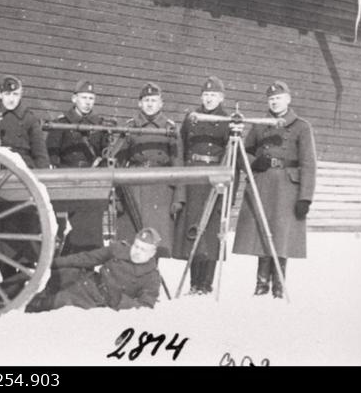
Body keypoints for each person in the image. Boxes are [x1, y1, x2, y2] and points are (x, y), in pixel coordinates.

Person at [233, 80, 316, 298]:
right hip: (263, 183)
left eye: (278, 98)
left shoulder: (301, 126)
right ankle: (261, 284)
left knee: (282, 235)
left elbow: (308, 164)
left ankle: (279, 285)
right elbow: (242, 152)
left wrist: (305, 197)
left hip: (288, 187)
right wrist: (253, 162)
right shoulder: (260, 124)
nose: (275, 102)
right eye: (271, 99)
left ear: (288, 99)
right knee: (262, 231)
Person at [172, 76, 232, 294]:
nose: (209, 99)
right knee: (194, 228)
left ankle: (206, 284)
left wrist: (227, 188)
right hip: (194, 177)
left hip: (215, 177)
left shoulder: (228, 120)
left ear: (221, 98)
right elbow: (182, 146)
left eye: (213, 95)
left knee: (211, 232)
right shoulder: (192, 118)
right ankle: (193, 283)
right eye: (206, 95)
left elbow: (232, 155)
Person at [114, 82, 184, 258]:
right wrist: (117, 197)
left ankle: (150, 277)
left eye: (154, 100)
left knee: (155, 241)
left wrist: (178, 197)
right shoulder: (130, 127)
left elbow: (178, 164)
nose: (150, 104)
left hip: (160, 191)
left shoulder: (170, 128)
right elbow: (118, 164)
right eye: (146, 100)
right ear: (139, 103)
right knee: (130, 241)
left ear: (161, 103)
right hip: (133, 189)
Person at [27, 227, 162, 312]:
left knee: (58, 300)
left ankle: (23, 312)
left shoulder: (152, 277)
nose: (137, 252)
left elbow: (145, 307)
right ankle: (13, 293)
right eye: (136, 246)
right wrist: (52, 263)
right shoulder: (119, 249)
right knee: (57, 275)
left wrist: (120, 301)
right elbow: (88, 258)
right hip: (90, 281)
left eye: (143, 249)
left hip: (99, 300)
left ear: (152, 254)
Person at [45, 80, 108, 253]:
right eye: (84, 97)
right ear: (74, 99)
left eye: (91, 98)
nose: (88, 102)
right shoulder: (62, 123)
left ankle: (87, 264)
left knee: (91, 226)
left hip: (91, 181)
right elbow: (52, 154)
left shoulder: (99, 124)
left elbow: (105, 152)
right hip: (67, 181)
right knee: (68, 226)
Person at [0, 75, 50, 169]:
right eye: (7, 94)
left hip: (22, 170)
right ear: (0, 94)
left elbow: (41, 155)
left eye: (15, 94)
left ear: (21, 95)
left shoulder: (29, 119)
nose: (11, 99)